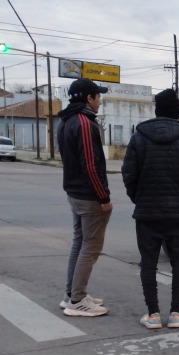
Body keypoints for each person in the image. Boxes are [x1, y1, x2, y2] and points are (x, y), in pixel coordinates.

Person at [122, 88, 179, 329]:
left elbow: (129, 175)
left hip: (147, 213)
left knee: (148, 263)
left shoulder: (139, 137)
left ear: (157, 110)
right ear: (178, 111)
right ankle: (175, 313)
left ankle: (152, 314)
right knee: (178, 261)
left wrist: (139, 198)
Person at [58, 78, 112, 317]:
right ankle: (77, 300)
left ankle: (71, 293)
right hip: (88, 196)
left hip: (74, 192)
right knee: (91, 246)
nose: (100, 101)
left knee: (80, 243)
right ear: (88, 98)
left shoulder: (66, 121)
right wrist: (104, 198)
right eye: (97, 96)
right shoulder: (84, 122)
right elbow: (91, 165)